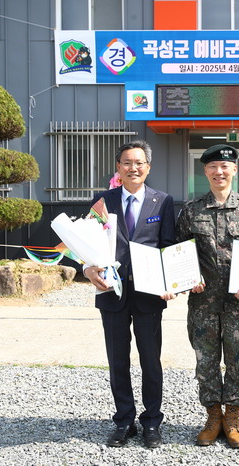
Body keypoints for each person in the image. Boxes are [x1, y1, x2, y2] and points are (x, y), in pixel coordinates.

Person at [83, 140, 176, 449]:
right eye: (127, 162)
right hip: (112, 293)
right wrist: (88, 270)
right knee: (117, 360)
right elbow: (85, 244)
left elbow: (168, 246)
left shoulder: (163, 201)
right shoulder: (102, 201)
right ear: (118, 168)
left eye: (139, 163)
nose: (133, 168)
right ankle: (124, 421)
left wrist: (171, 282)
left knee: (151, 359)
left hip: (150, 295)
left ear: (148, 167)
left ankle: (152, 421)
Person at [175, 144, 239, 448]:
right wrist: (189, 276)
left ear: (234, 170)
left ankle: (233, 417)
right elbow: (178, 251)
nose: (219, 172)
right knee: (206, 362)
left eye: (225, 166)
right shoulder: (191, 210)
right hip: (203, 302)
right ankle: (213, 416)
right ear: (205, 171)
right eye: (213, 167)